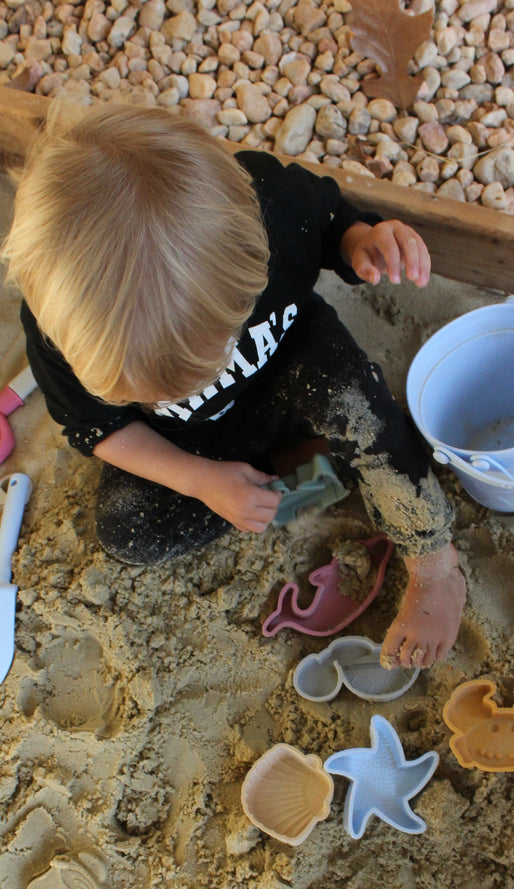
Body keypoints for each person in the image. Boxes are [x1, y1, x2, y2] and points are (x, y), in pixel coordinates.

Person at [2, 101, 465, 669]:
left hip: (290, 365)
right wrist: (200, 480)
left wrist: (360, 241)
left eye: (212, 352)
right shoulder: (56, 331)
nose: (192, 384)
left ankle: (435, 565)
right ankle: (313, 472)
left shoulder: (272, 209)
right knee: (128, 533)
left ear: (253, 255)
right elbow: (99, 428)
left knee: (361, 407)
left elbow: (331, 219)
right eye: (148, 387)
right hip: (191, 444)